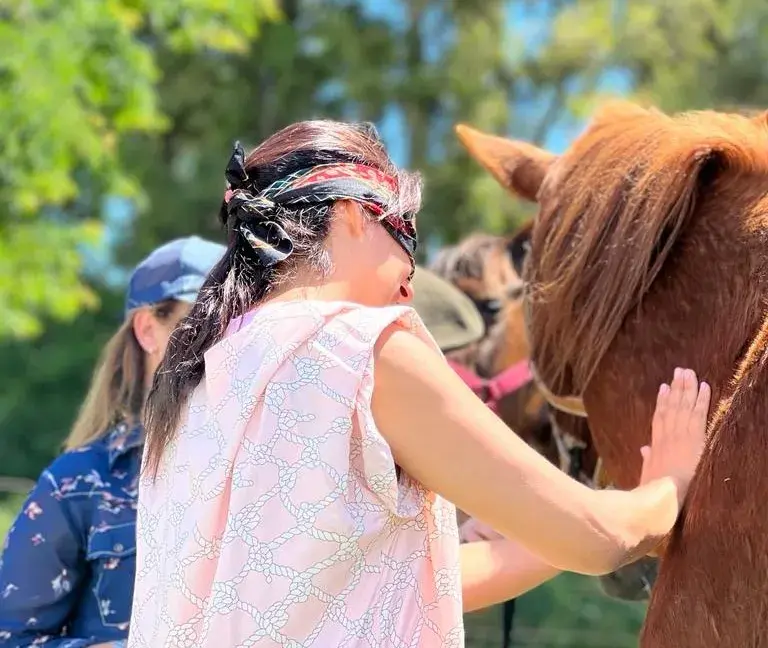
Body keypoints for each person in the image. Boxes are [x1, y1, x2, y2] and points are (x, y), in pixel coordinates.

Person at [129, 121, 711, 647]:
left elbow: (340, 589)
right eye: (405, 233)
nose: (412, 280)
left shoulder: (194, 383)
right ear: (354, 214)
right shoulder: (362, 345)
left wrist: (517, 533)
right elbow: (597, 539)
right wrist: (664, 486)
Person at [0, 236, 226, 648]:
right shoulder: (79, 482)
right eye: (202, 321)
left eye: (234, 323)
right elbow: (11, 638)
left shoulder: (267, 469)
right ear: (147, 329)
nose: (220, 341)